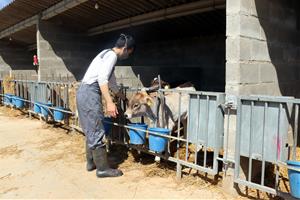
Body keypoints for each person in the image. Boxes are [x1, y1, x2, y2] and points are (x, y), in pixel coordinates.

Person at [76, 34, 135, 178]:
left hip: (84, 92)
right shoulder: (112, 56)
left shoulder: (106, 54)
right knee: (96, 129)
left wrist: (125, 98)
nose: (128, 55)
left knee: (91, 129)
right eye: (129, 52)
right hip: (90, 92)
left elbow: (112, 84)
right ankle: (102, 169)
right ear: (126, 49)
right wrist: (109, 102)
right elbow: (102, 79)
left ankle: (91, 163)